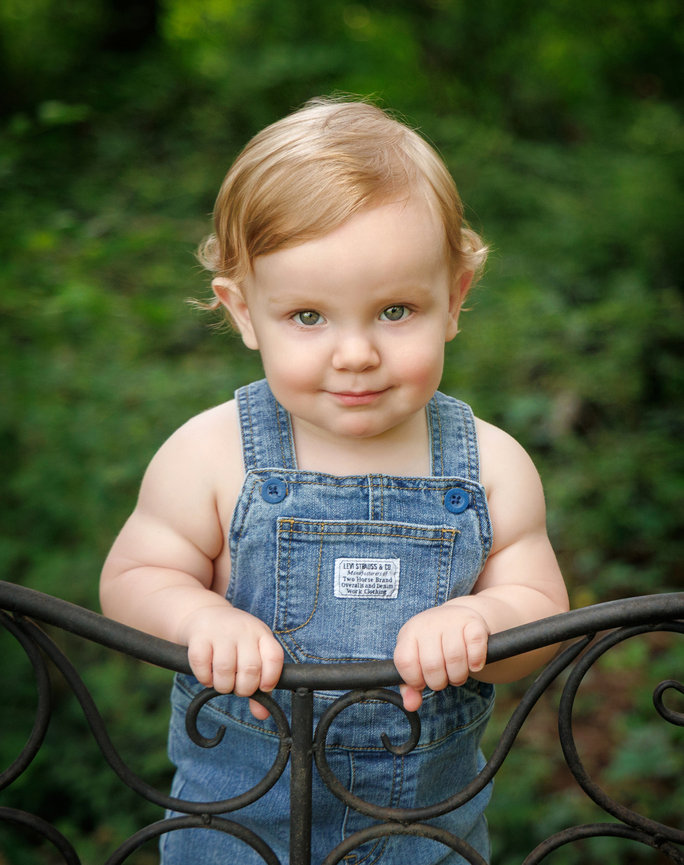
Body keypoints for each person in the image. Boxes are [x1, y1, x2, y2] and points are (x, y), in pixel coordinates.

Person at [100, 96, 569, 864]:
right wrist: (198, 618)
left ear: (454, 298)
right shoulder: (212, 453)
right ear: (245, 310)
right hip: (238, 831)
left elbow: (541, 616)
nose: (355, 353)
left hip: (425, 838)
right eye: (309, 316)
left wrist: (484, 621)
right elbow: (133, 576)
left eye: (394, 309)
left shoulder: (491, 465)